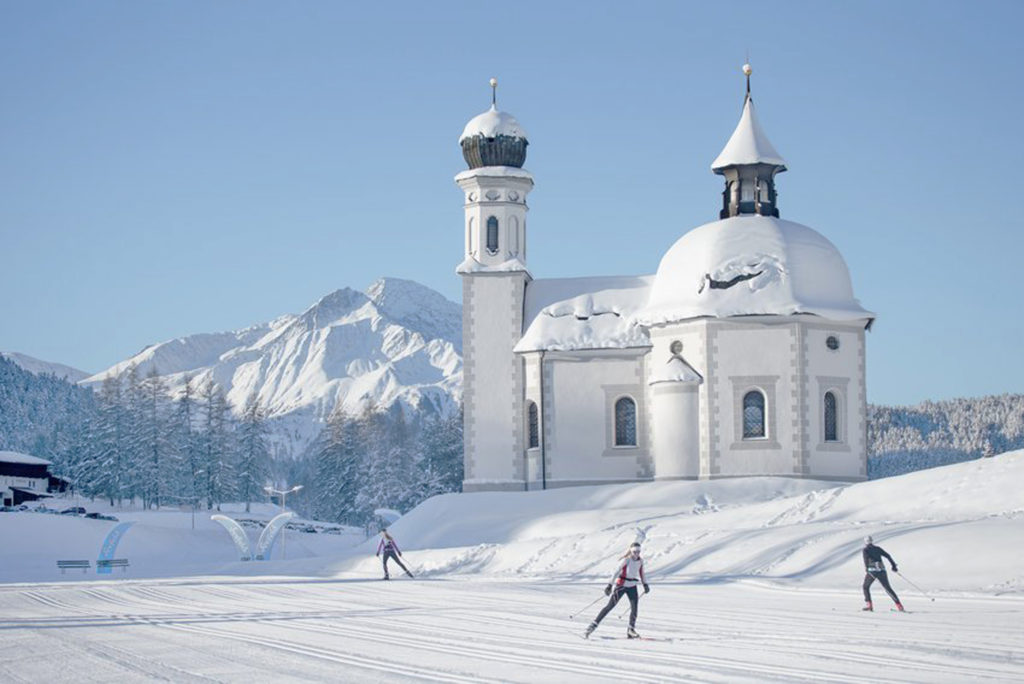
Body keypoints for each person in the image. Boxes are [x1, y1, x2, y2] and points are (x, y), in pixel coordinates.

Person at [585, 542, 650, 639]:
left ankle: (631, 630)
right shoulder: (626, 560)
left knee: (634, 608)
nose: (637, 554)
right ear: (631, 551)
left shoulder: (640, 561)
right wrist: (609, 585)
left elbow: (642, 573)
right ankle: (593, 625)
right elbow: (615, 572)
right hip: (622, 585)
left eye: (638, 551)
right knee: (610, 606)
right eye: (635, 552)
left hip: (632, 586)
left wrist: (645, 584)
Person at [861, 535, 903, 611]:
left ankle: (869, 606)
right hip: (882, 570)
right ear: (872, 541)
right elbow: (888, 556)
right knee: (888, 588)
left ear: (865, 542)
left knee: (865, 587)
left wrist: (866, 568)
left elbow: (865, 559)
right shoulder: (878, 548)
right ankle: (899, 606)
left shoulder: (865, 550)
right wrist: (893, 566)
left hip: (872, 571)